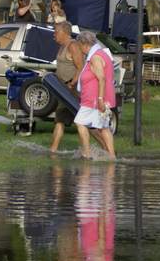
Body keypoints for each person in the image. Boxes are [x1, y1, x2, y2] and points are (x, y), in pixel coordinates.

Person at [74, 31, 116, 160]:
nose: (79, 48)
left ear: (84, 44)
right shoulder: (100, 54)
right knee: (103, 127)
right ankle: (111, 156)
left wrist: (100, 99)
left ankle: (86, 154)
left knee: (80, 122)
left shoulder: (95, 57)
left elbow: (102, 79)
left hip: (94, 99)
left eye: (79, 45)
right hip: (100, 98)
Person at [49, 22, 84, 152]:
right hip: (63, 90)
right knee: (60, 119)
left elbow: (80, 68)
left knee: (80, 121)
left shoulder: (73, 46)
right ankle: (53, 149)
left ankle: (92, 149)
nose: (54, 35)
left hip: (72, 89)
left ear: (65, 32)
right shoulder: (62, 47)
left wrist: (72, 84)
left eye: (56, 32)